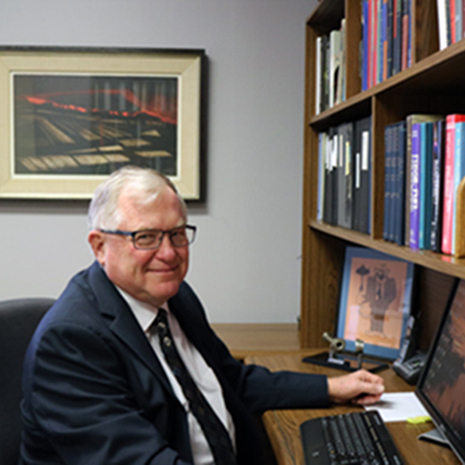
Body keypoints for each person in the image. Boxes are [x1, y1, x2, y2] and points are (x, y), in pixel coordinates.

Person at [20, 166, 384, 465]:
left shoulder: (174, 297)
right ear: (100, 246)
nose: (169, 253)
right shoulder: (70, 342)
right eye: (146, 237)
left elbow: (231, 381)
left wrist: (331, 388)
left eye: (177, 234)